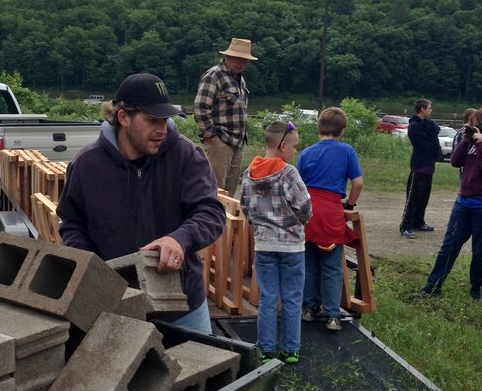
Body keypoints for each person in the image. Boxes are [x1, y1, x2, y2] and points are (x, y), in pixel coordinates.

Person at [57, 72, 226, 334]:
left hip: (183, 305)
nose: (161, 129)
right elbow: (72, 223)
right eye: (151, 120)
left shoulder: (185, 154)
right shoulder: (87, 164)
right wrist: (93, 269)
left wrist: (179, 239)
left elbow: (210, 212)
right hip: (116, 305)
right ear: (123, 117)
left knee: (197, 369)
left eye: (165, 119)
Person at [240, 121, 312, 364]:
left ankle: (266, 348)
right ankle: (291, 350)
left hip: (264, 245)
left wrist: (260, 226)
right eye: (294, 146)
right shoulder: (288, 173)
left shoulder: (249, 173)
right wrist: (296, 222)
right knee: (292, 297)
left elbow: (245, 208)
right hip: (292, 246)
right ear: (282, 146)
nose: (295, 151)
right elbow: (304, 207)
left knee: (268, 297)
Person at [417, 106, 482, 301]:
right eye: (472, 125)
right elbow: (454, 161)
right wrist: (466, 140)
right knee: (449, 247)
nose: (476, 128)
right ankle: (432, 287)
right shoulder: (470, 142)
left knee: (480, 251)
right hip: (464, 203)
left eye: (479, 125)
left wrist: (480, 145)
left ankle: (479, 294)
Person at [297, 107, 363, 331]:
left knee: (309, 263)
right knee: (332, 266)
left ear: (319, 127)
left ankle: (309, 308)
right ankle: (333, 315)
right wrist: (350, 204)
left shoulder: (306, 152)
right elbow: (358, 183)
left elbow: (297, 186)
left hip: (308, 213)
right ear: (342, 130)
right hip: (332, 212)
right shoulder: (347, 152)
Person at [194, 37, 257, 195]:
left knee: (230, 193)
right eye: (237, 59)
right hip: (220, 141)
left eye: (244, 60)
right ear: (228, 56)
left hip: (238, 142)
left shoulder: (239, 80)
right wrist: (212, 138)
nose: (241, 63)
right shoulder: (214, 75)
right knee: (214, 191)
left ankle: (224, 220)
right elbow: (200, 107)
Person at [400, 98, 442, 238]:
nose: (431, 110)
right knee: (414, 196)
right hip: (419, 165)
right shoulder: (414, 126)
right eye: (429, 108)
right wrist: (431, 134)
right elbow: (426, 143)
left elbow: (435, 131)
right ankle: (406, 225)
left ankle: (419, 222)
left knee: (424, 196)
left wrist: (431, 133)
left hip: (429, 164)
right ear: (422, 109)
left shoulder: (427, 123)